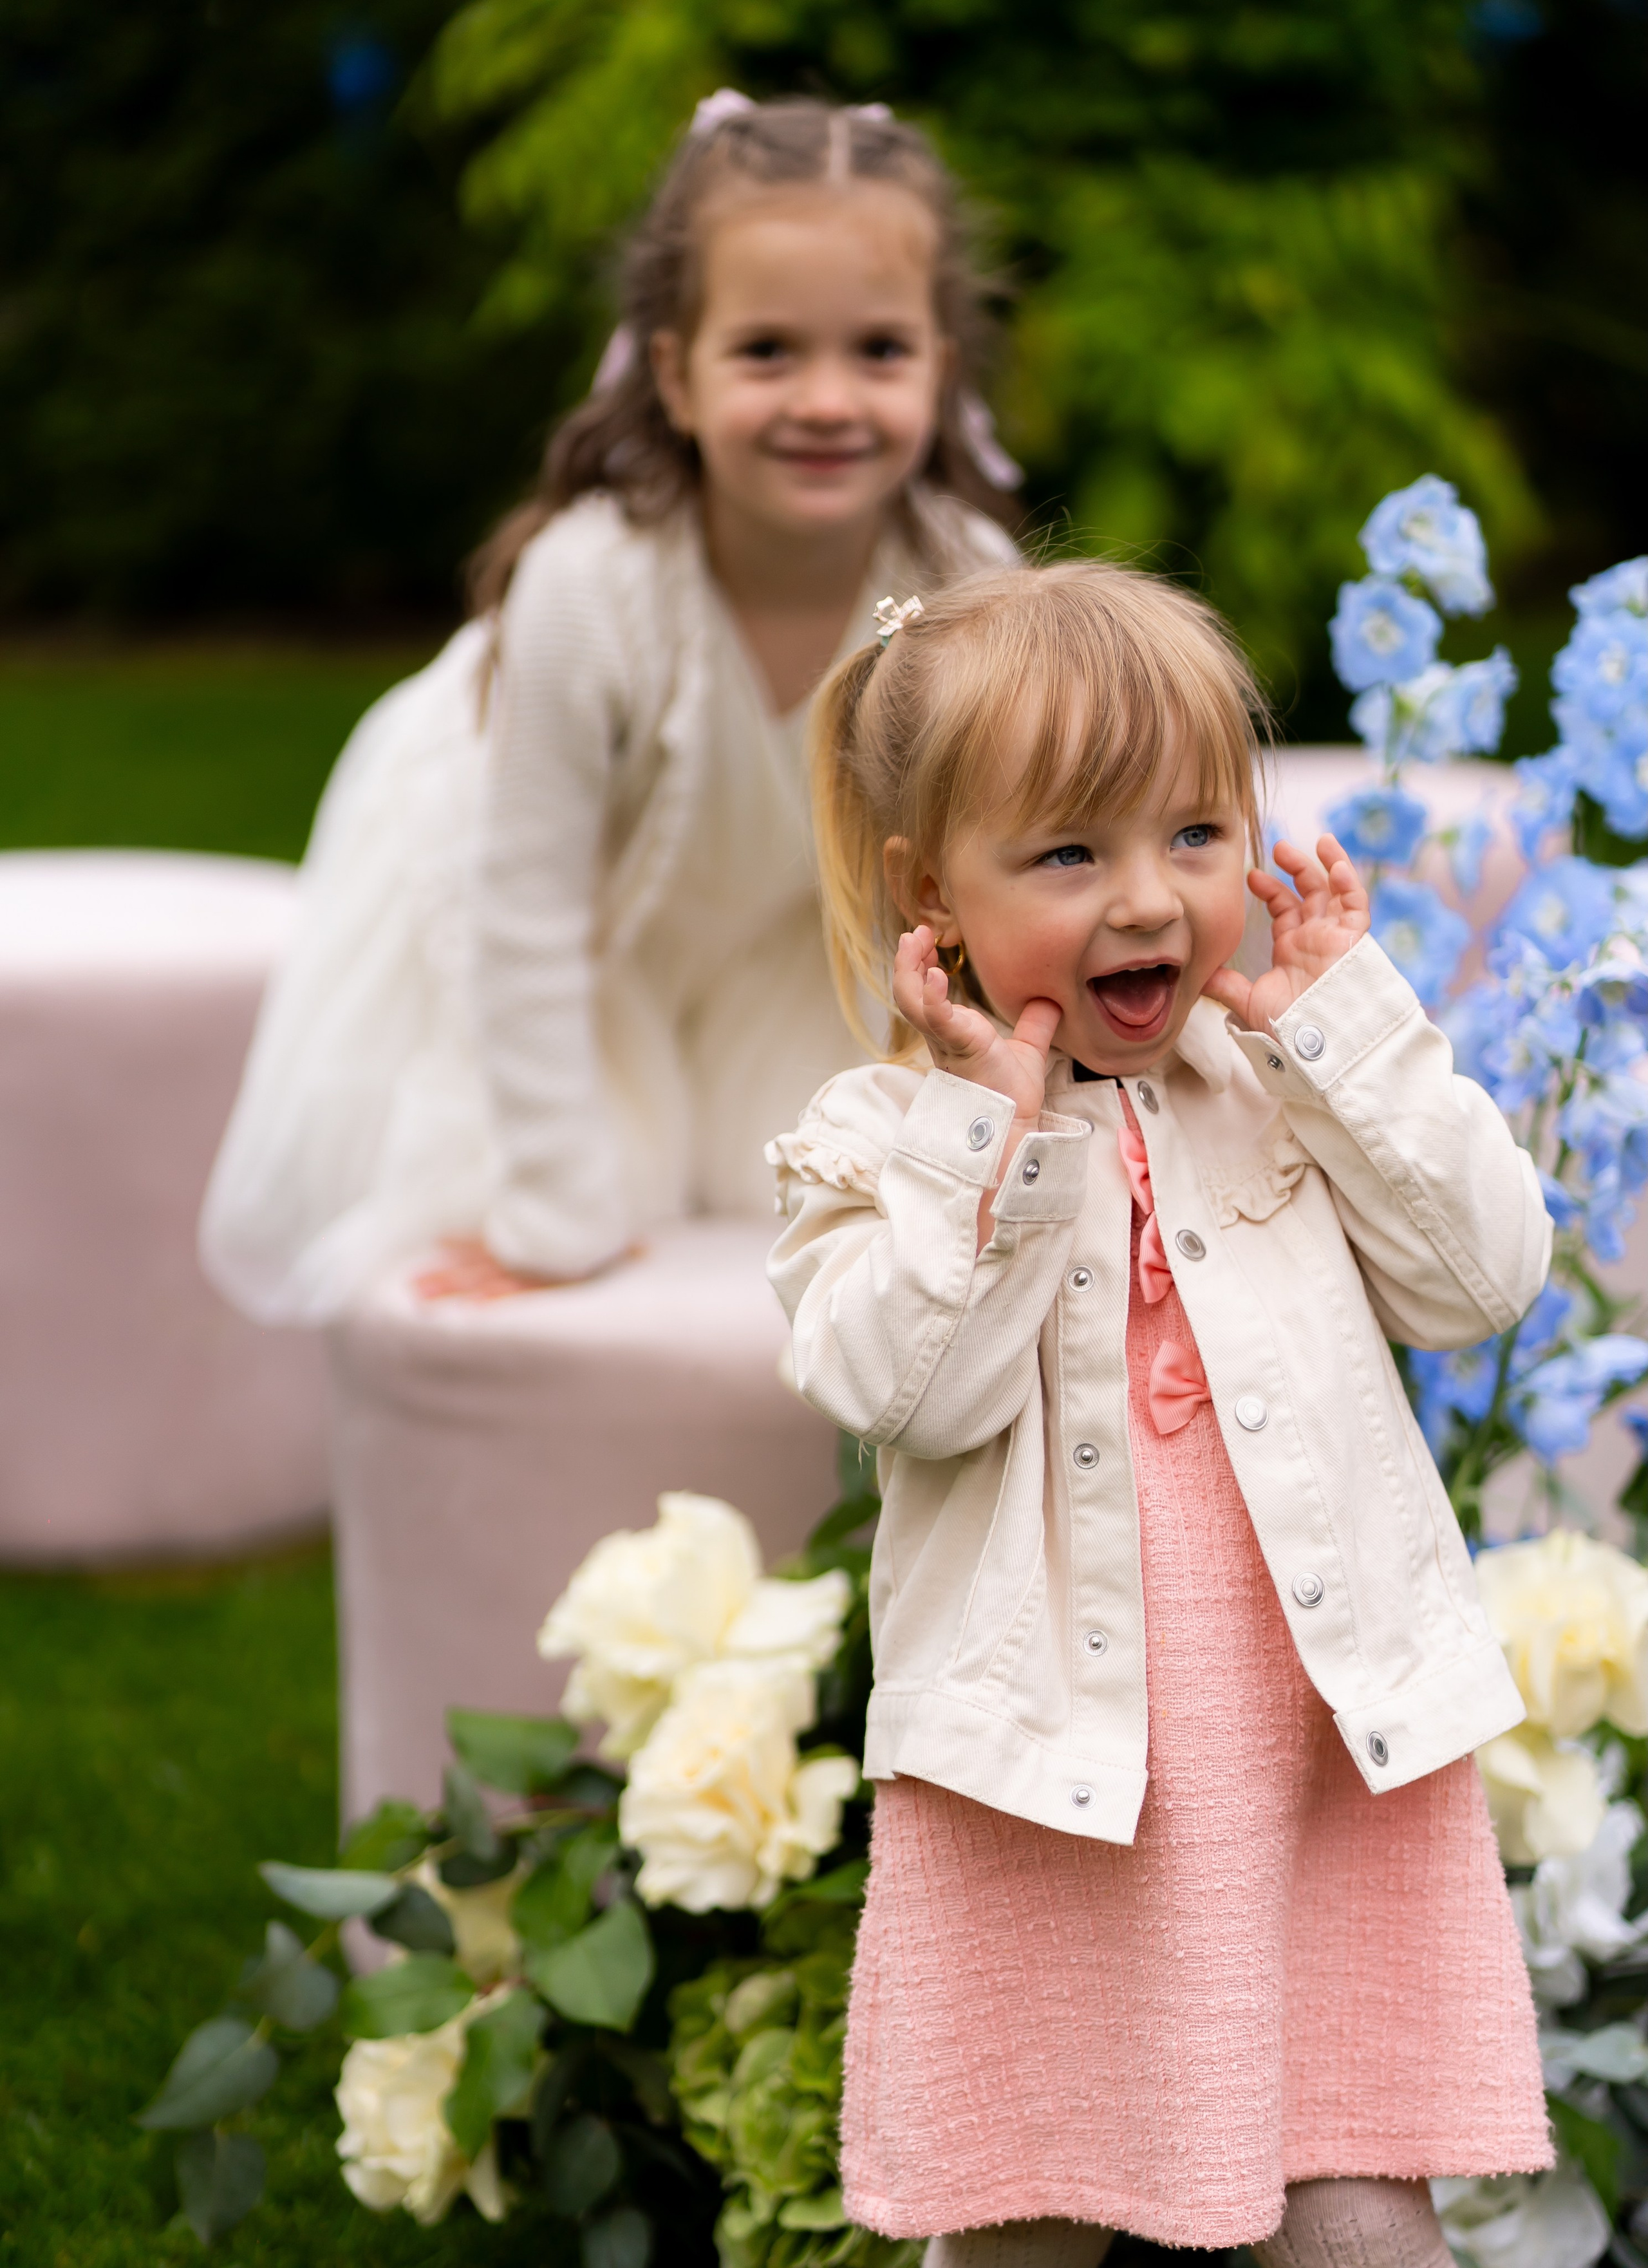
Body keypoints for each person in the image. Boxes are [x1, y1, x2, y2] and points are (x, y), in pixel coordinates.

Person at [766, 562, 1553, 2266]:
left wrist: (1349, 1027)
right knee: (1029, 2219)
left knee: (1356, 2208)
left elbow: (1482, 1278)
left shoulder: (1279, 1084)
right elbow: (908, 1380)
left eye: (1197, 834)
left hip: (1304, 1775)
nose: (1148, 901)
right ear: (934, 897)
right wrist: (995, 1125)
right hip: (1049, 1808)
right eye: (1068, 853)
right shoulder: (880, 1140)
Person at [200, 93, 1020, 1322]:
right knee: (581, 1196)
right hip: (555, 925)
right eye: (768, 352)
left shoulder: (949, 589)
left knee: (832, 1195)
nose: (827, 399)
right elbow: (520, 912)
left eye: (880, 352)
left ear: (942, 371)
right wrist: (551, 1211)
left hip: (799, 935)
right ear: (676, 376)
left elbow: (991, 867)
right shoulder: (595, 591)